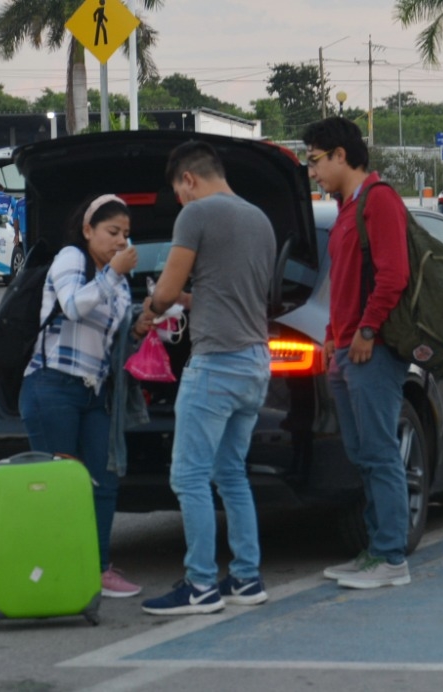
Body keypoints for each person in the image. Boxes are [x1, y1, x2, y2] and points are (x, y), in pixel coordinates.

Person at [141, 141, 276, 615]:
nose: (180, 202)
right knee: (231, 474)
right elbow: (227, 293)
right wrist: (180, 301)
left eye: (179, 193)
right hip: (256, 362)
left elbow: (168, 289)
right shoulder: (259, 219)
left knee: (189, 476)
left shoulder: (196, 215)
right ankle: (246, 577)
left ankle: (199, 585)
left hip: (216, 364)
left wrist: (149, 311)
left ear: (189, 179)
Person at [18, 193, 153, 599]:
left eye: (126, 234)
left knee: (103, 480)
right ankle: (56, 571)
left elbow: (112, 343)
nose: (120, 241)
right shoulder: (71, 260)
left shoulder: (117, 282)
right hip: (52, 386)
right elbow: (74, 307)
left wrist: (139, 325)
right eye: (112, 232)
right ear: (88, 230)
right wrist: (113, 273)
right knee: (59, 486)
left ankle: (97, 568)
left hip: (95, 392)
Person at [302, 117, 415, 589]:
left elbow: (394, 275)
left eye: (314, 160)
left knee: (381, 453)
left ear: (340, 155)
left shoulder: (379, 200)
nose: (312, 172)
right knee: (364, 454)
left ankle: (391, 559)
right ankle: (375, 550)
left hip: (373, 351)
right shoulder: (346, 207)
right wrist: (332, 334)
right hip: (346, 348)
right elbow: (343, 283)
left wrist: (367, 331)